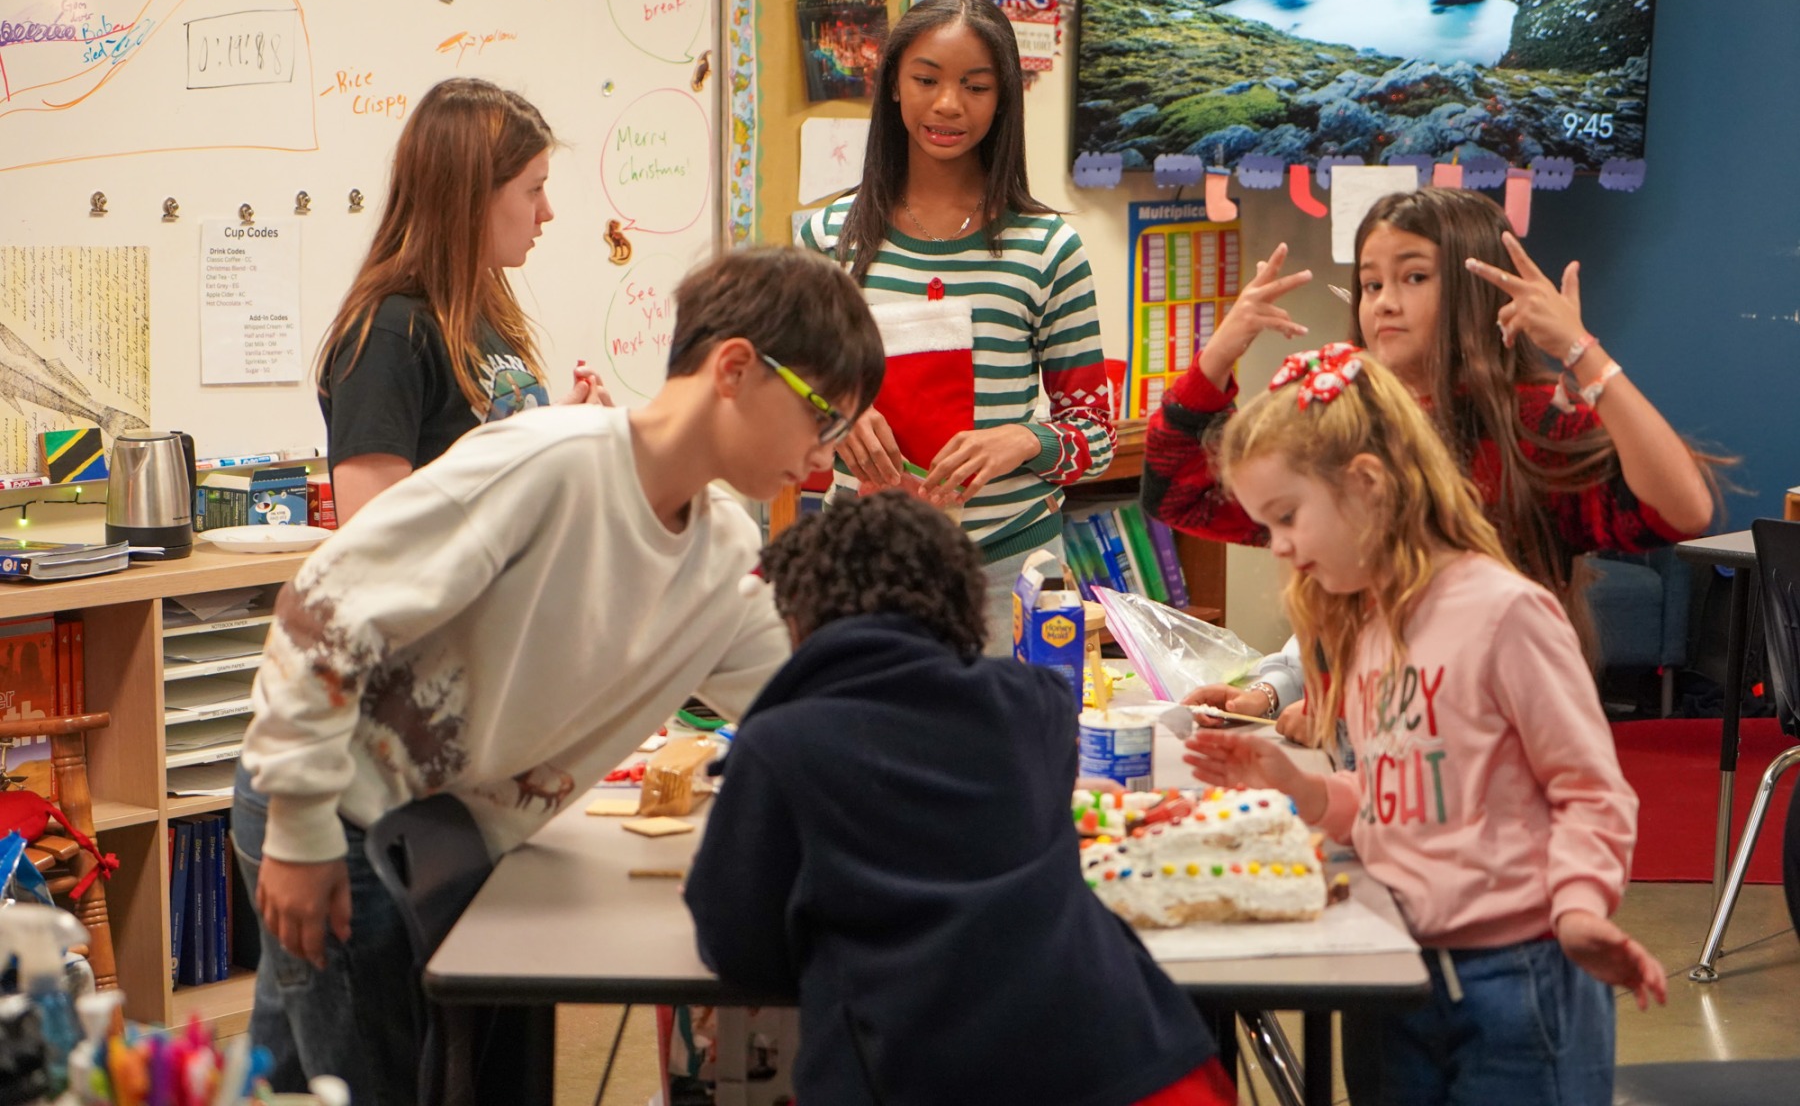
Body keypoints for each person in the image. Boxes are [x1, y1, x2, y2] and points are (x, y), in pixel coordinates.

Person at [234, 246, 885, 1105]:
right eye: (822, 417)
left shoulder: (721, 551)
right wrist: (299, 825)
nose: (823, 455)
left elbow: (810, 700)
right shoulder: (550, 463)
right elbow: (321, 610)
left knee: (291, 1082)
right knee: (354, 1084)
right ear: (734, 369)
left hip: (438, 827)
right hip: (336, 803)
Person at [1183, 345, 1665, 1105]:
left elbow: (1588, 789)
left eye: (1286, 517)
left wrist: (1578, 906)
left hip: (1519, 979)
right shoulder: (1369, 625)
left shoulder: (1504, 613)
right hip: (1400, 969)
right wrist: (1302, 791)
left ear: (1367, 484)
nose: (1277, 546)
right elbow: (1393, 791)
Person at [686, 490, 1233, 1106]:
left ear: (796, 621)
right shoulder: (1033, 702)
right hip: (1138, 1064)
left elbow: (738, 946)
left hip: (920, 1075)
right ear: (968, 604)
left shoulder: (780, 743)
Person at [1148, 187, 1719, 720]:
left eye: (1414, 277)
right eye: (1371, 285)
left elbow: (1681, 511)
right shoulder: (1339, 418)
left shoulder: (1529, 421)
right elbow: (1179, 495)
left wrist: (1581, 352)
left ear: (1476, 291)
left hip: (1496, 728)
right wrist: (1220, 351)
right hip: (1367, 749)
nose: (1384, 304)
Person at [801, 0, 1115, 654]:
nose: (948, 105)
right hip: (860, 569)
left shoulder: (1047, 248)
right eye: (926, 80)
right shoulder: (829, 237)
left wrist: (1023, 440)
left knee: (1014, 723)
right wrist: (837, 413)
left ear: (1003, 100)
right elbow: (785, 395)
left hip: (1010, 572)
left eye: (975, 87)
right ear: (893, 85)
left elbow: (1096, 435)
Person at [315, 77, 610, 524]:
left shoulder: (482, 315)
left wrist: (558, 434)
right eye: (534, 189)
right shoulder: (389, 335)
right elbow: (372, 535)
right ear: (472, 196)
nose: (546, 212)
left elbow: (483, 462)